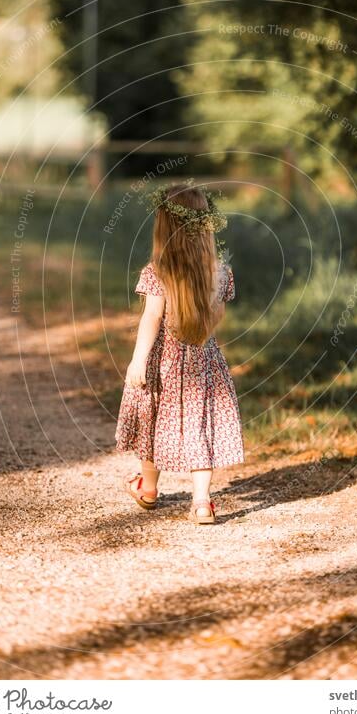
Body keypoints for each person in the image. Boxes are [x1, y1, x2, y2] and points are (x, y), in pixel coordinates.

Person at [115, 183, 244, 524]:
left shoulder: (157, 273)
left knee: (152, 417)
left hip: (164, 360)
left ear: (164, 228)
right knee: (201, 423)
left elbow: (152, 318)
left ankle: (148, 488)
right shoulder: (219, 273)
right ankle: (201, 502)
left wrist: (139, 359)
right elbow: (216, 318)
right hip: (203, 357)